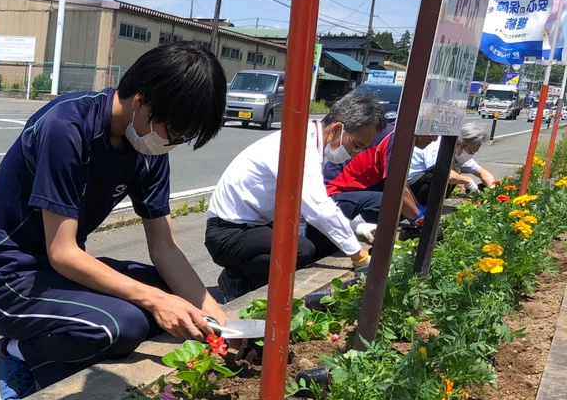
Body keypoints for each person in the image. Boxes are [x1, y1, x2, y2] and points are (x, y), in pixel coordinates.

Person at [0, 42, 228, 400]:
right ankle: (18, 354)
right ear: (141, 100)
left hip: (62, 273)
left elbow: (165, 247)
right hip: (8, 280)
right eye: (174, 130)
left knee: (174, 296)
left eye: (183, 137)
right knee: (122, 325)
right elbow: (62, 252)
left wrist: (218, 323)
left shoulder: (147, 147)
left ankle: (57, 343)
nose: (173, 142)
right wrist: (157, 302)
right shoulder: (67, 127)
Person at [204, 92, 385, 297]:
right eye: (356, 146)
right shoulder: (299, 146)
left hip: (257, 226)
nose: (356, 154)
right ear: (337, 129)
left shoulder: (313, 141)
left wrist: (355, 228)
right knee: (300, 249)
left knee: (322, 239)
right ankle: (238, 280)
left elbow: (309, 208)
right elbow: (320, 210)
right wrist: (359, 257)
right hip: (227, 233)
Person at [325, 125, 436, 226]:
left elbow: (401, 182)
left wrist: (417, 207)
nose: (435, 139)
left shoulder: (398, 133)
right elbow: (396, 185)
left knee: (404, 204)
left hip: (352, 191)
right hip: (333, 195)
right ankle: (357, 219)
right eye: (433, 134)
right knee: (393, 202)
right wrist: (418, 218)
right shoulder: (396, 138)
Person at [407, 122, 497, 206]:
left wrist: (493, 190)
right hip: (409, 187)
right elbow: (441, 173)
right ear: (459, 144)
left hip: (419, 185)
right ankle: (424, 209)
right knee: (447, 174)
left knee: (455, 172)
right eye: (471, 151)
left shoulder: (458, 154)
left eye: (474, 152)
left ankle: (431, 206)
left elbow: (483, 173)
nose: (472, 154)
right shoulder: (438, 147)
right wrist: (467, 180)